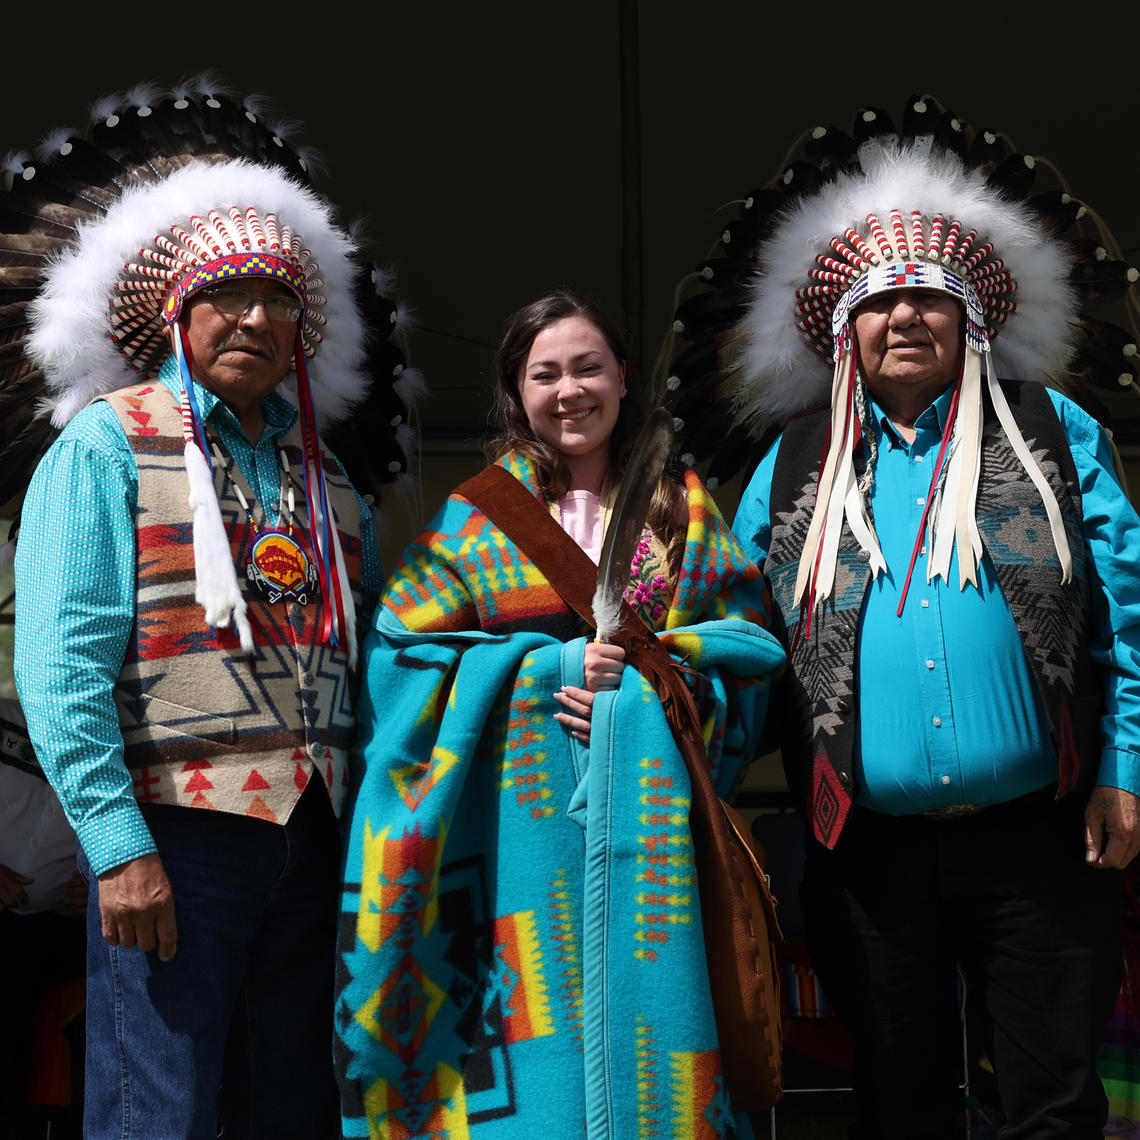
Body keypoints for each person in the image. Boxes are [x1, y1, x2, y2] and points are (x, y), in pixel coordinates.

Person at [728, 140, 1140, 1137]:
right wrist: (699, 776)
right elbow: (737, 640)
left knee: (1052, 1106)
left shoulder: (1051, 432)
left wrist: (1124, 768)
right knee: (897, 1107)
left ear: (972, 321)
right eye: (878, 302)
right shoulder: (792, 467)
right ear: (846, 332)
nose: (905, 316)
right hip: (867, 853)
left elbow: (1130, 615)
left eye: (929, 298)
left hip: (1044, 836)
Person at [11, 108, 383, 1136]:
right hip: (175, 836)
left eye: (277, 300)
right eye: (227, 295)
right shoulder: (106, 446)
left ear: (301, 330)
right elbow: (61, 667)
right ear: (178, 313)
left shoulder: (331, 482)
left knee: (292, 1112)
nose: (254, 318)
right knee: (159, 1113)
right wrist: (116, 845)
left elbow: (371, 671)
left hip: (314, 838)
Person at [333, 291, 785, 1139]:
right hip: (517, 846)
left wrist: (657, 685)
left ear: (623, 377)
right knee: (536, 1055)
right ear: (517, 391)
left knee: (662, 1054)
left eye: (588, 368)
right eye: (546, 374)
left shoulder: (683, 508)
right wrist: (551, 673)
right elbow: (402, 661)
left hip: (658, 842)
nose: (570, 391)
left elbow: (746, 653)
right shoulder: (473, 518)